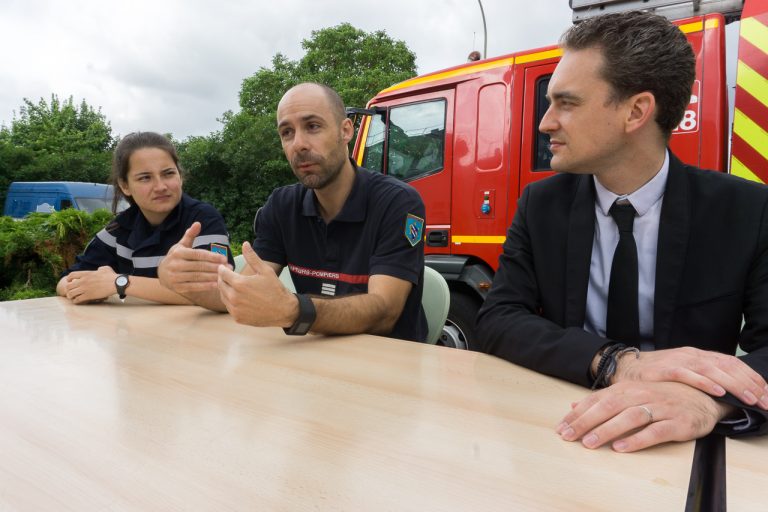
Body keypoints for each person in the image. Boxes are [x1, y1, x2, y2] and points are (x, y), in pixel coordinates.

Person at [476, 11, 768, 452]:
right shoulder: (542, 205)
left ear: (636, 112)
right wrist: (614, 362)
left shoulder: (747, 210)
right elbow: (498, 320)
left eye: (567, 103)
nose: (545, 122)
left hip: (687, 450)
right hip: (561, 428)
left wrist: (710, 402)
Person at [158, 83, 427, 342]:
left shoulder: (397, 202)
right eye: (287, 133)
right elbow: (240, 293)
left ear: (346, 131)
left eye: (312, 126)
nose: (298, 144)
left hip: (391, 365)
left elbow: (385, 312)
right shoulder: (282, 205)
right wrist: (181, 282)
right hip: (313, 356)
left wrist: (295, 310)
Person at [57, 132, 234, 304]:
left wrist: (119, 283)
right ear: (125, 186)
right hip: (135, 330)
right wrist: (83, 287)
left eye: (168, 173)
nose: (160, 186)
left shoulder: (203, 220)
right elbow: (65, 281)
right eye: (145, 178)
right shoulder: (118, 230)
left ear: (180, 176)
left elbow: (218, 291)